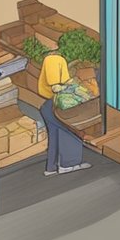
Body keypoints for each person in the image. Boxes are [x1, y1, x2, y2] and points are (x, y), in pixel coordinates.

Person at [37, 46, 90, 177]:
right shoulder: (54, 60)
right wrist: (74, 88)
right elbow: (55, 85)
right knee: (71, 131)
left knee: (55, 135)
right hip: (56, 104)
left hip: (49, 105)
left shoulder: (53, 59)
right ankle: (69, 164)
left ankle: (51, 167)